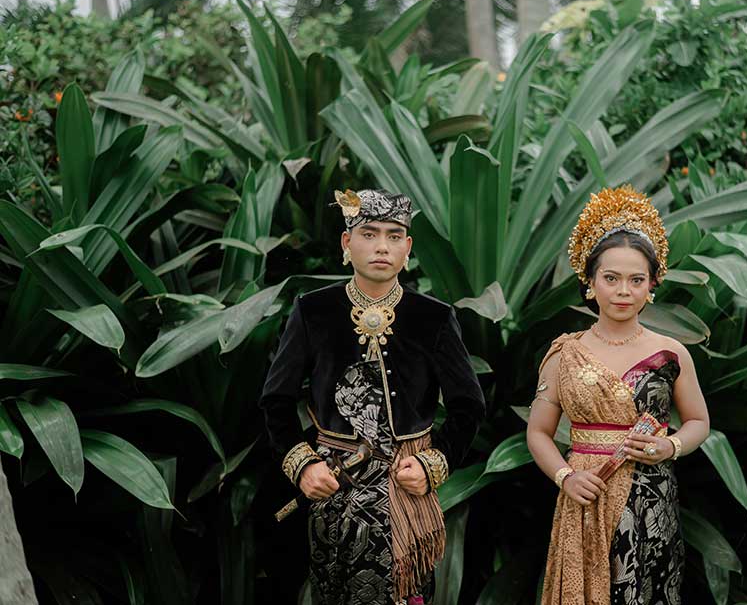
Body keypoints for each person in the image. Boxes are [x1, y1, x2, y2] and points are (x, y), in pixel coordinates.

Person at [259, 188, 486, 605]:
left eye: (394, 235)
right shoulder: (313, 311)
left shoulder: (434, 318)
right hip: (333, 487)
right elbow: (276, 400)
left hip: (407, 487)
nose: (382, 246)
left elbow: (468, 406)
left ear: (408, 247)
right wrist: (304, 466)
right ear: (347, 242)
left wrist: (433, 463)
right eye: (369, 233)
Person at [527, 185, 711, 605]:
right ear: (590, 282)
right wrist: (566, 477)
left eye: (636, 280)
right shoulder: (564, 353)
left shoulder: (672, 353)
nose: (623, 291)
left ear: (652, 286)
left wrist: (670, 446)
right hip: (585, 493)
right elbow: (538, 432)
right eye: (611, 278)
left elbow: (699, 421)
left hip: (651, 497)